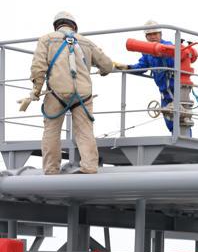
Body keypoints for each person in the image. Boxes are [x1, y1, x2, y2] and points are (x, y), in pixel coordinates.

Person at [21, 11, 124, 174]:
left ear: (56, 26)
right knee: (85, 131)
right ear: (74, 26)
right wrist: (103, 71)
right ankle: (89, 167)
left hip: (56, 93)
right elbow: (107, 65)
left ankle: (51, 170)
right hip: (83, 95)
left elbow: (38, 67)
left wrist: (36, 89)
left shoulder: (46, 39)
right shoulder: (86, 42)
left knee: (51, 131)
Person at [124, 20, 189, 136]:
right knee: (170, 121)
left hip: (176, 89)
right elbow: (142, 66)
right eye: (149, 34)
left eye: (155, 34)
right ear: (146, 37)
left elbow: (170, 57)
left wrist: (158, 52)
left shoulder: (169, 46)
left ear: (160, 34)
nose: (153, 37)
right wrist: (127, 67)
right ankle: (177, 139)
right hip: (164, 92)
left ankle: (185, 141)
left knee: (181, 120)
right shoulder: (146, 53)